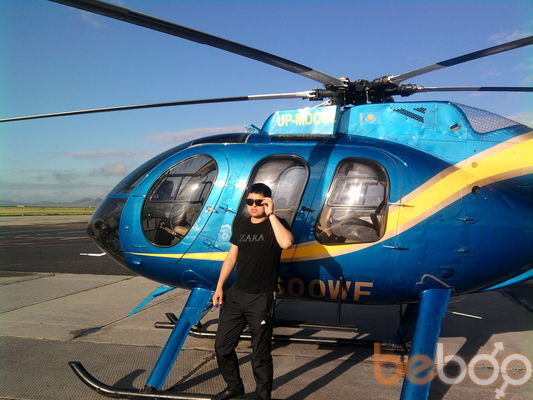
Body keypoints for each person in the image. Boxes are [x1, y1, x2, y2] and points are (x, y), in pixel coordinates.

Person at [213, 183, 294, 400]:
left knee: (260, 353)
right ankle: (234, 387)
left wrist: (272, 214)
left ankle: (262, 395)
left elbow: (286, 243)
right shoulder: (241, 223)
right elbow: (232, 257)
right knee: (222, 347)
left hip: (261, 297)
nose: (254, 205)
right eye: (250, 201)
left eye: (259, 202)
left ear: (267, 202)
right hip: (236, 294)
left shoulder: (277, 224)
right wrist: (220, 286)